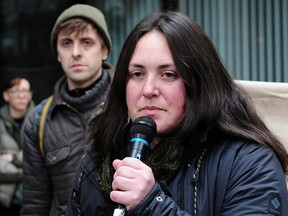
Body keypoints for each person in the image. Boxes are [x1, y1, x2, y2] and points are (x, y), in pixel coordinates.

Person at [67, 11, 288, 215]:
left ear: (200, 82)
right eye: (137, 74)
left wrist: (152, 205)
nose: (148, 90)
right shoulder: (98, 161)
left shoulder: (249, 163)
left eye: (168, 74)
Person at [20, 4, 113, 216]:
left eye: (86, 42)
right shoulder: (39, 121)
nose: (76, 53)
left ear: (104, 50)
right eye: (66, 43)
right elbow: (35, 204)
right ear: (58, 54)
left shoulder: (131, 104)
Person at [0, 71, 34, 216]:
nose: (22, 96)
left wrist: (12, 158)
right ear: (6, 95)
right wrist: (27, 172)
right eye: (16, 91)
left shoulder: (42, 121)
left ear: (31, 94)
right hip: (4, 202)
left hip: (34, 200)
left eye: (25, 91)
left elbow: (39, 158)